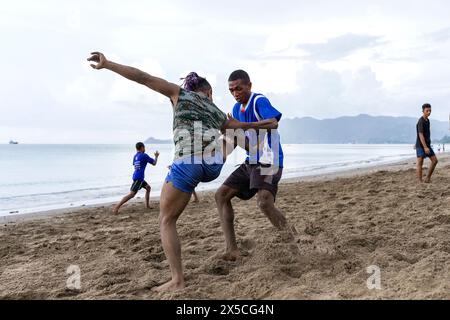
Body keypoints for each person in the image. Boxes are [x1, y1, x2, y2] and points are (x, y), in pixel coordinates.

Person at [88, 52, 278, 292]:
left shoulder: (179, 94)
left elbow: (142, 78)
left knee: (166, 220)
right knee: (228, 135)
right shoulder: (216, 110)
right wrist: (265, 123)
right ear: (209, 92)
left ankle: (177, 280)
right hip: (212, 167)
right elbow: (240, 126)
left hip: (188, 165)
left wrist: (108, 65)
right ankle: (219, 155)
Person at [215, 70, 295, 261]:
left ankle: (294, 239)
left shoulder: (259, 101)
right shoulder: (236, 110)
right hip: (251, 161)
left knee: (264, 202)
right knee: (220, 195)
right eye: (231, 90)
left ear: (249, 86)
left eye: (239, 88)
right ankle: (232, 249)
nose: (235, 93)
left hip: (269, 159)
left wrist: (241, 126)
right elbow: (237, 139)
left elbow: (273, 123)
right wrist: (215, 156)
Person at [113, 142, 159, 214]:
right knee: (132, 194)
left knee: (148, 188)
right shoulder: (144, 155)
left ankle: (147, 206)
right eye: (144, 147)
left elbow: (136, 165)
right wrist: (156, 156)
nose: (145, 149)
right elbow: (154, 163)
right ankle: (117, 207)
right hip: (139, 178)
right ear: (142, 148)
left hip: (136, 176)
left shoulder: (135, 156)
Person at [416, 103, 438, 183]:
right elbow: (420, 134)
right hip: (421, 145)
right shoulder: (421, 121)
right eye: (427, 111)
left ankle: (427, 178)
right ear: (423, 111)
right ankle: (419, 181)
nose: (429, 112)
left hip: (427, 145)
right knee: (420, 162)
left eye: (430, 111)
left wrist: (427, 145)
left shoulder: (427, 120)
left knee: (435, 160)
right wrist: (425, 147)